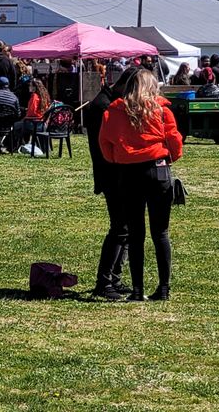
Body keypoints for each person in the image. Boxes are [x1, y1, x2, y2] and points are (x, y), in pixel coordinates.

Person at [99, 69, 183, 301]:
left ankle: (137, 290)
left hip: (129, 173)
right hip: (158, 169)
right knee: (161, 232)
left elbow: (105, 144)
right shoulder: (162, 110)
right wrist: (171, 157)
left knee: (136, 234)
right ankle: (163, 288)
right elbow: (175, 141)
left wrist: (119, 158)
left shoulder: (114, 111)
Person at [85, 66, 140, 300]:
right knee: (119, 228)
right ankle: (104, 281)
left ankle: (114, 278)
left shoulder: (107, 102)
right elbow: (109, 145)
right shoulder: (103, 107)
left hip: (116, 172)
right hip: (112, 173)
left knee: (125, 228)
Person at [13, 78, 50, 146]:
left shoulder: (34, 96)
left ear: (34, 87)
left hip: (35, 124)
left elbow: (32, 113)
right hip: (43, 124)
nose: (29, 87)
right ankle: (26, 144)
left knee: (15, 126)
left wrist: (25, 118)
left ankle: (19, 145)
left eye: (30, 85)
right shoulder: (44, 96)